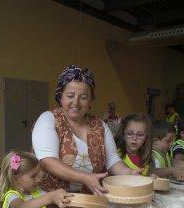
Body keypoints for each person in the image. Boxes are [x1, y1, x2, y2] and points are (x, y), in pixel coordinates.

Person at [32, 65, 136, 197]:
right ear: (60, 96)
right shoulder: (49, 120)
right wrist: (85, 178)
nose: (76, 103)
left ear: (90, 100)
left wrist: (130, 174)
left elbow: (113, 160)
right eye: (70, 96)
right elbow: (47, 161)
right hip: (53, 201)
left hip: (90, 199)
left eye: (83, 97)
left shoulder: (99, 126)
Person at [0, 151, 72, 208]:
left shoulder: (38, 192)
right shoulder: (11, 196)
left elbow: (50, 202)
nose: (38, 180)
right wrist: (50, 197)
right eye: (33, 176)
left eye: (38, 175)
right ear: (15, 178)